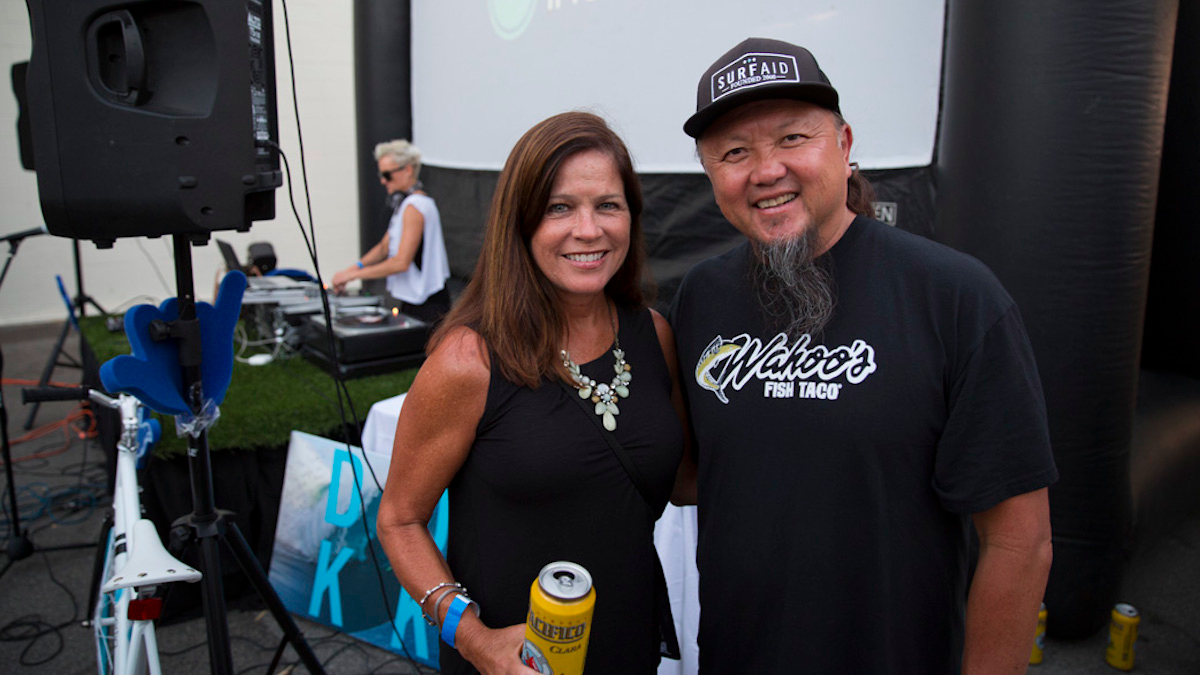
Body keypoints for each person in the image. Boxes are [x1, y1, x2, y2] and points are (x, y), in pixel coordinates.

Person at [668, 37, 1058, 673]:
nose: (765, 170)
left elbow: (1020, 542)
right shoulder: (701, 298)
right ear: (711, 175)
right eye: (735, 152)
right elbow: (691, 475)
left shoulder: (956, 297)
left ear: (844, 146)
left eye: (793, 138)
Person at [376, 112, 689, 674]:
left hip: (628, 638)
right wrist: (472, 640)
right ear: (519, 223)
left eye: (608, 205)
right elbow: (399, 520)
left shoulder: (653, 334)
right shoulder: (468, 361)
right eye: (559, 207)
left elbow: (688, 481)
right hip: (513, 660)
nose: (589, 230)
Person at [330, 139, 451, 323]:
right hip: (415, 300)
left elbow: (400, 263)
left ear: (408, 170)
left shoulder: (415, 207)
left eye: (387, 174)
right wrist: (352, 269)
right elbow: (384, 248)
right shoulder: (405, 204)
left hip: (428, 303)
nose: (383, 180)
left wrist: (352, 275)